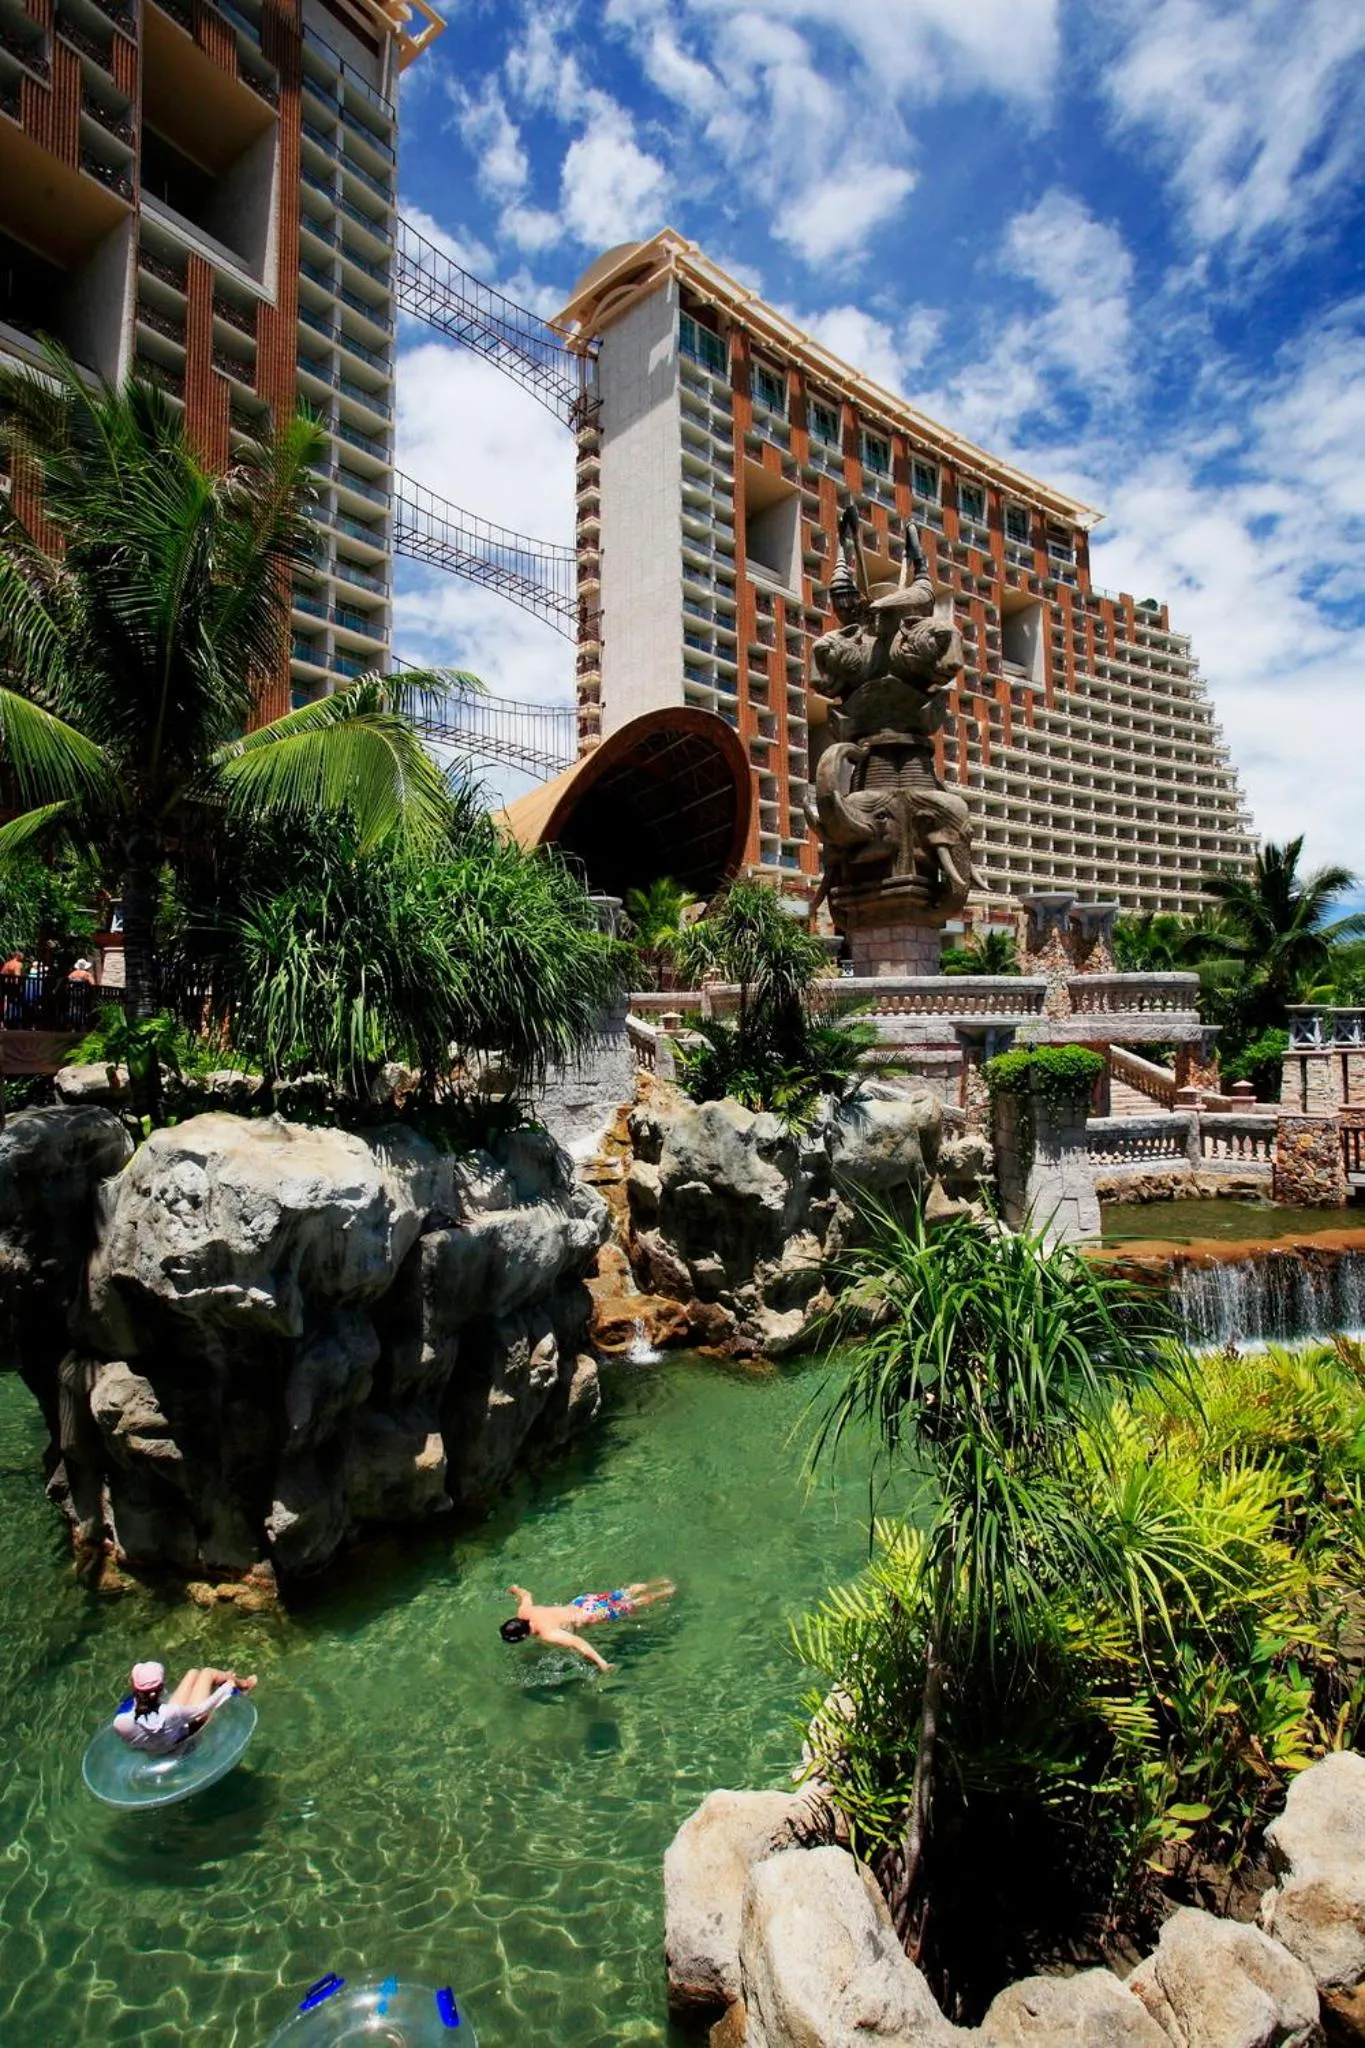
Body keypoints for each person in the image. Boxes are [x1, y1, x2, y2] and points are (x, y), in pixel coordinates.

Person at [499, 1580, 676, 1673]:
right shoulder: (524, 1611)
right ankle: (660, 1582)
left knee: (634, 1605)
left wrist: (602, 1663)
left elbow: (579, 1643)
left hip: (592, 1615)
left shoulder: (548, 1633)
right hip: (583, 1601)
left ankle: (666, 1592)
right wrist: (515, 1589)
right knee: (621, 1594)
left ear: (522, 1637)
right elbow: (526, 1594)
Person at [112, 1660, 257, 1755]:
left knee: (193, 1673)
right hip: (182, 1737)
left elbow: (134, 1741)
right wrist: (226, 1687)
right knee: (207, 1673)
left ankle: (232, 1680)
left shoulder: (120, 1722)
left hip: (158, 1745)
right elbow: (202, 1709)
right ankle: (243, 1685)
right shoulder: (171, 1712)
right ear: (161, 1687)